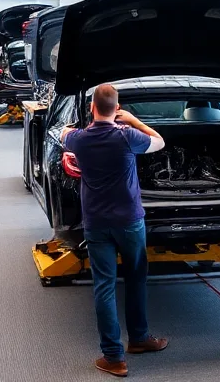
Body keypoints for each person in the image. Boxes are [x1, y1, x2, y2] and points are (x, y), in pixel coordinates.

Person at [61, 84, 169, 377]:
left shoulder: (80, 139)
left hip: (97, 223)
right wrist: (133, 120)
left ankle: (113, 357)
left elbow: (63, 134)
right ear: (117, 108)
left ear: (92, 107)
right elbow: (159, 141)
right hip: (130, 222)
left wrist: (85, 125)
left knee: (104, 287)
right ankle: (139, 338)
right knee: (136, 279)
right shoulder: (127, 136)